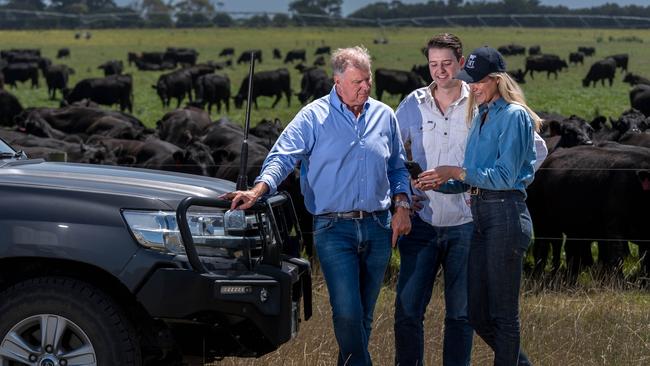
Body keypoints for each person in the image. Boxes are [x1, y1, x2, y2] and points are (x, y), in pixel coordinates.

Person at [221, 46, 412, 366]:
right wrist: (258, 190)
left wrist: (402, 204)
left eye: (368, 81)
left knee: (364, 316)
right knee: (348, 313)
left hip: (378, 226)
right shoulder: (313, 116)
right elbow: (282, 157)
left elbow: (397, 168)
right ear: (337, 82)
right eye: (357, 82)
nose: (365, 88)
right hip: (334, 228)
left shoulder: (384, 115)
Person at [421, 46, 542, 366]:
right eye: (470, 80)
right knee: (475, 312)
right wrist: (441, 182)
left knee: (504, 314)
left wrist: (456, 172)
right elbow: (474, 176)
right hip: (482, 213)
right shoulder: (482, 114)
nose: (472, 86)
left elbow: (504, 176)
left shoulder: (514, 116)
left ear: (497, 79)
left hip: (505, 213)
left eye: (479, 81)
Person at [393, 33, 475, 366]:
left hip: (467, 223)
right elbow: (393, 156)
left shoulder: (479, 101)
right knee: (409, 309)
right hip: (422, 220)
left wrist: (475, 182)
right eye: (433, 64)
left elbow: (532, 151)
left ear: (461, 61)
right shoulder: (412, 103)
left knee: (461, 313)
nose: (440, 72)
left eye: (446, 64)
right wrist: (401, 198)